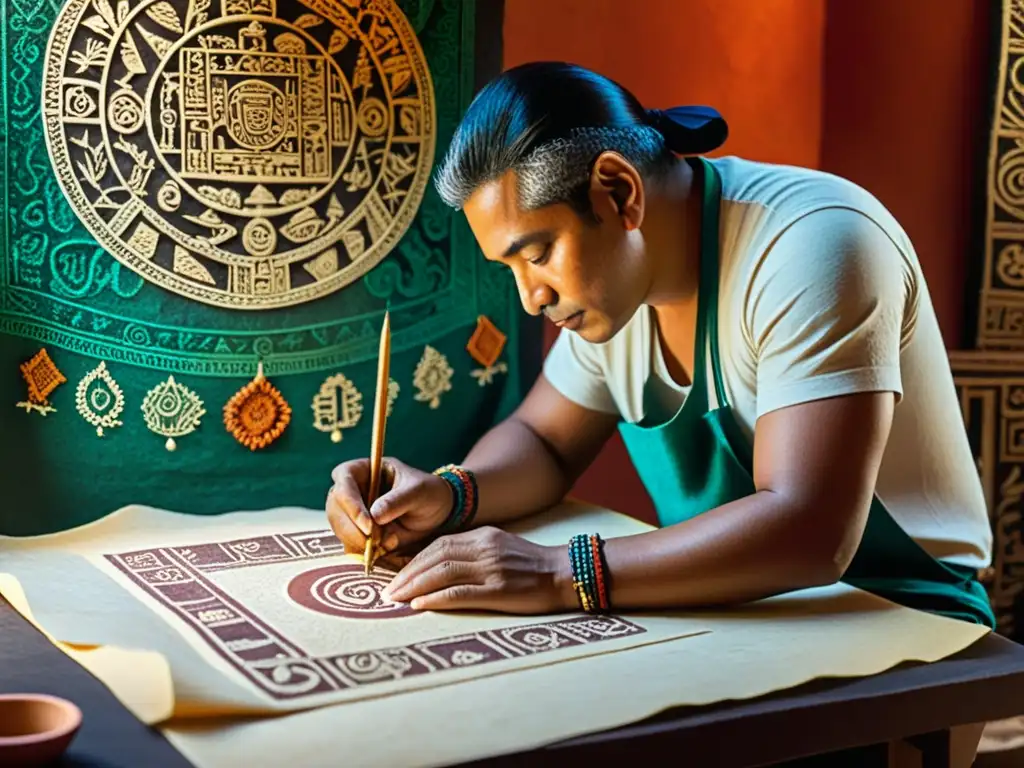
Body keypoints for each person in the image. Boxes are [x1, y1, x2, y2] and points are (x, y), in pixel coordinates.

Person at [325, 61, 994, 628]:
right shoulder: (617, 285)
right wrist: (448, 494)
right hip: (734, 610)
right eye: (512, 269)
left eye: (539, 254)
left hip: (895, 612)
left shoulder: (815, 244)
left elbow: (811, 531)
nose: (532, 296)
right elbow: (546, 442)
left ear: (617, 192)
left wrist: (560, 573)